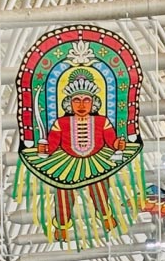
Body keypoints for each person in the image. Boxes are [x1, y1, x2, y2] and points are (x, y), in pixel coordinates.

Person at [37, 69, 126, 239]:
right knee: (63, 191)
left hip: (95, 161)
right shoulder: (61, 123)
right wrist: (44, 149)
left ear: (93, 103)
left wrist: (118, 144)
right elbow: (52, 146)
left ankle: (106, 217)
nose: (82, 105)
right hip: (68, 162)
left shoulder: (102, 121)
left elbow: (111, 141)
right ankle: (62, 226)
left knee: (100, 188)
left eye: (86, 101)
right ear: (69, 103)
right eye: (77, 101)